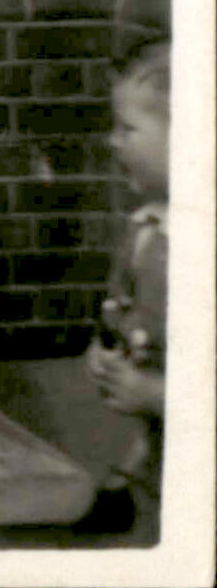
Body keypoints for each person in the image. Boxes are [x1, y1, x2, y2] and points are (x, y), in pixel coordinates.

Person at [81, 36, 170, 544]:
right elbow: (123, 301)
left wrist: (158, 396)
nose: (114, 142)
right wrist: (106, 347)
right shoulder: (146, 226)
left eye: (128, 129)